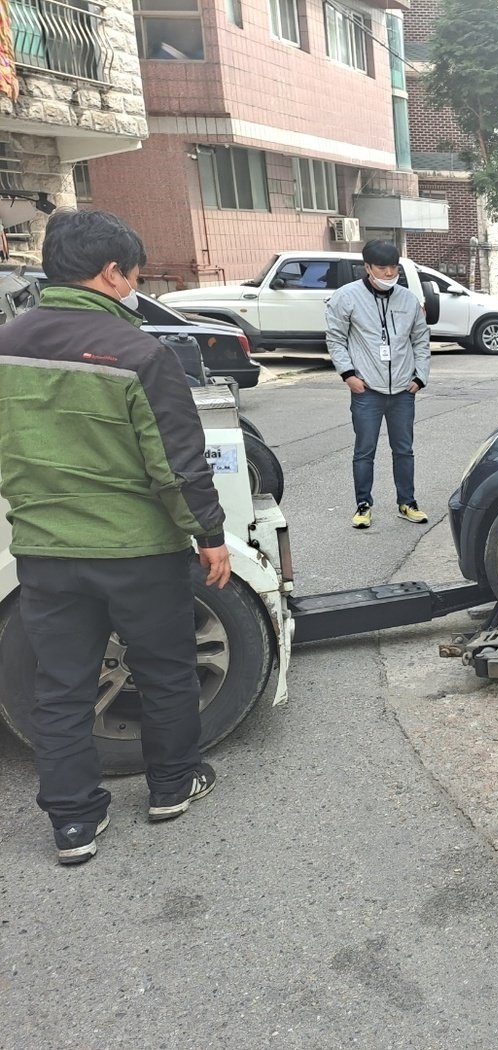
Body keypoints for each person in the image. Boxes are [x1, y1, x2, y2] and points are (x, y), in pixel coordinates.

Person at [0, 210, 230, 864]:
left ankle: (73, 823)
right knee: (164, 670)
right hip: (139, 551)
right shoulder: (138, 354)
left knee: (62, 685)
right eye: (133, 274)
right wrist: (210, 534)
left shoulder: (5, 345)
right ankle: (171, 785)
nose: (135, 285)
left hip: (45, 551)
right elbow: (178, 464)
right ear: (111, 273)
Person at [326, 240, 431, 529]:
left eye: (393, 268)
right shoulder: (346, 297)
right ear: (367, 268)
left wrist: (419, 376)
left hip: (402, 390)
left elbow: (421, 340)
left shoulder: (408, 300)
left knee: (404, 449)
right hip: (367, 391)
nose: (388, 273)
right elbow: (335, 339)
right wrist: (348, 375)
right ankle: (363, 505)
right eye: (382, 268)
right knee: (364, 450)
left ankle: (407, 502)